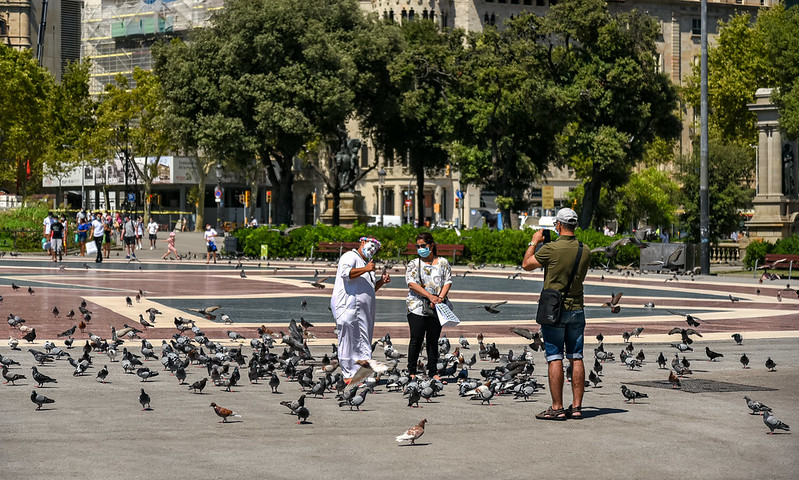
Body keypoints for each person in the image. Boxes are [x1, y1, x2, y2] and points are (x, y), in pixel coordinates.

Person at [522, 208, 591, 421]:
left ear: (558, 225)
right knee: (576, 356)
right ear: (575, 226)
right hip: (577, 308)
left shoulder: (551, 248)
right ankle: (577, 407)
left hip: (554, 311)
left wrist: (534, 241)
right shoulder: (585, 249)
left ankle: (557, 407)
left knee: (555, 357)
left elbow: (526, 265)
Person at [330, 236, 391, 381]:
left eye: (375, 249)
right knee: (348, 342)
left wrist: (381, 282)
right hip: (348, 306)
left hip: (363, 311)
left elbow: (368, 289)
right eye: (370, 246)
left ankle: (360, 374)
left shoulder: (367, 264)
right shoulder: (350, 256)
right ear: (362, 243)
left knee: (363, 342)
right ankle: (348, 375)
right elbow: (346, 274)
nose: (372, 250)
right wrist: (365, 269)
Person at [405, 232, 452, 379]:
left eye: (423, 246)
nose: (420, 249)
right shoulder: (414, 263)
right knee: (416, 339)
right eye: (418, 246)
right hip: (416, 306)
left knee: (433, 340)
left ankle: (433, 372)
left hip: (437, 306)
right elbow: (411, 284)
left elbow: (447, 281)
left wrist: (439, 298)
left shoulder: (443, 262)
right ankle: (411, 371)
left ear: (431, 245)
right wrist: (430, 296)